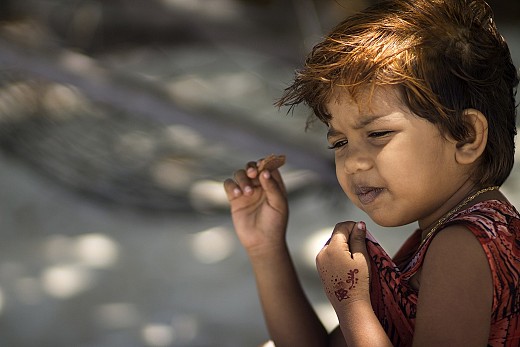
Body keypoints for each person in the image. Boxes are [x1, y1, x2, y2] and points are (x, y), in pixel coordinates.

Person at [223, 0, 520, 345]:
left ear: (466, 136)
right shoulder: (442, 235)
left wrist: (352, 303)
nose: (353, 162)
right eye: (339, 143)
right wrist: (266, 247)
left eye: (377, 134)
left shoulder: (462, 247)